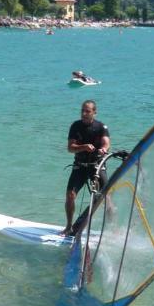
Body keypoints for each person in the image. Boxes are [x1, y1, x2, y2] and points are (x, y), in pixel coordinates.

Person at [62, 99, 110, 235]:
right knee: (70, 196)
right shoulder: (75, 126)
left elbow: (106, 143)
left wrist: (103, 149)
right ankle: (69, 226)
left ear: (94, 112)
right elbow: (70, 148)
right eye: (82, 110)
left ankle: (114, 230)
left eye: (87, 111)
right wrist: (83, 147)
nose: (84, 113)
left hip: (96, 166)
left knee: (106, 198)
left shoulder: (101, 127)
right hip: (80, 166)